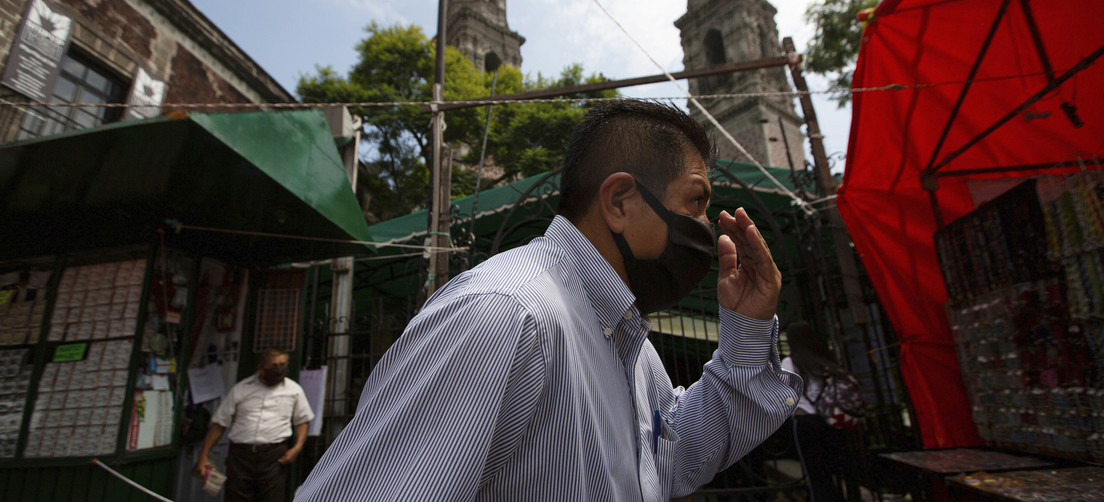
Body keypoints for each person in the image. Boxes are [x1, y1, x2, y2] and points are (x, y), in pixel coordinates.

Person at [295, 100, 802, 501]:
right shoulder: (507, 315)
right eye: (695, 201)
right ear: (619, 201)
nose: (707, 227)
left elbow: (677, 454)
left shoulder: (628, 342)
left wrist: (746, 333)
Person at [193, 347, 315, 502]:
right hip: (241, 457)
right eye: (274, 366)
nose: (279, 370)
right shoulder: (241, 389)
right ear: (261, 368)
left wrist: (297, 448)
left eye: (283, 365)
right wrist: (204, 455)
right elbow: (219, 423)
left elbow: (303, 421)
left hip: (273, 457)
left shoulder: (294, 390)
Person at [782, 321, 848, 502]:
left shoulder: (790, 363)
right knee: (833, 469)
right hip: (830, 418)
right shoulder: (825, 360)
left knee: (814, 473)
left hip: (805, 420)